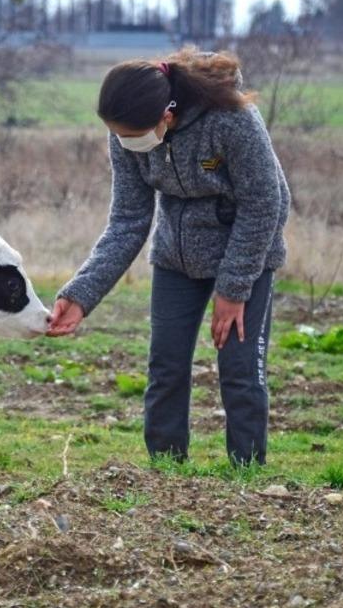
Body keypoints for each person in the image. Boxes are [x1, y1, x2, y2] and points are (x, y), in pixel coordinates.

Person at [47, 48, 290, 467]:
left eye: (133, 134)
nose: (126, 143)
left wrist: (233, 288)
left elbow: (268, 204)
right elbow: (128, 220)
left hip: (246, 252)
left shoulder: (231, 120)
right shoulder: (129, 134)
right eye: (118, 135)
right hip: (175, 258)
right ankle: (165, 471)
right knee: (166, 366)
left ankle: (248, 473)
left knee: (240, 370)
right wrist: (81, 295)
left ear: (168, 114)